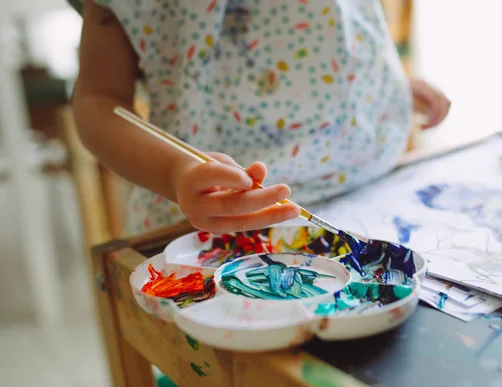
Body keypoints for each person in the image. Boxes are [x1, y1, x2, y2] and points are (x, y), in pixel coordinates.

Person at [72, 0, 450, 236]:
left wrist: (382, 83)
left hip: (372, 187)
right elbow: (98, 98)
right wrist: (174, 172)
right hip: (219, 221)